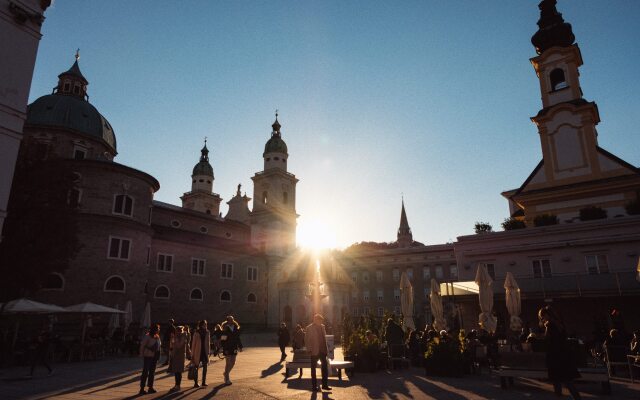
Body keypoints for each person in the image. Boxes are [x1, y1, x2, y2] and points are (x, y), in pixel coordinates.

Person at [538, 306, 582, 400]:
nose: (542, 318)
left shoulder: (550, 325)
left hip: (555, 357)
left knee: (557, 382)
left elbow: (549, 341)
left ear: (546, 315)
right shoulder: (559, 324)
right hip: (564, 355)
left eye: (542, 316)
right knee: (568, 381)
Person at [305, 314, 330, 392]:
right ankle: (314, 386)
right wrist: (309, 349)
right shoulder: (309, 328)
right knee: (313, 369)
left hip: (323, 351)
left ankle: (325, 385)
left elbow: (325, 338)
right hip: (314, 351)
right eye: (319, 320)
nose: (320, 321)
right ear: (315, 320)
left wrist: (328, 348)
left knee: (325, 368)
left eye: (321, 320)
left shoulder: (323, 327)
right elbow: (306, 340)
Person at [139, 324, 161, 395]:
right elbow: (142, 345)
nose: (159, 330)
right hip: (148, 356)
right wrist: (141, 354)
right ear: (154, 329)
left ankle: (150, 387)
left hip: (154, 356)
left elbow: (159, 345)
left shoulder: (157, 337)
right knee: (145, 372)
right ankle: (142, 388)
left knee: (152, 373)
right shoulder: (147, 336)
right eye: (158, 329)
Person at [220, 315, 243, 385]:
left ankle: (225, 373)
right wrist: (225, 349)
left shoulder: (236, 328)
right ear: (227, 321)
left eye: (232, 319)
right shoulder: (225, 329)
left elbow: (238, 338)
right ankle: (227, 378)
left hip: (234, 348)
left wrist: (240, 346)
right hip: (227, 348)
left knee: (233, 363)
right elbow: (223, 340)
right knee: (228, 363)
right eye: (230, 319)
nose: (231, 321)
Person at [168, 326, 191, 392]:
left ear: (179, 331)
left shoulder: (183, 337)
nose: (176, 332)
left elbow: (179, 345)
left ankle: (178, 385)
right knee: (176, 371)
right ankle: (176, 385)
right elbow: (172, 345)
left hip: (180, 356)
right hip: (175, 355)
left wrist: (175, 338)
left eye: (177, 331)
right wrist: (172, 339)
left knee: (178, 371)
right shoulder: (176, 336)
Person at [190, 320, 210, 387]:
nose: (205, 325)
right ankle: (196, 383)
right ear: (201, 325)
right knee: (196, 367)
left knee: (205, 367)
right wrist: (192, 354)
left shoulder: (207, 332)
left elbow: (208, 343)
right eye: (204, 324)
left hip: (204, 352)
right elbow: (193, 344)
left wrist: (208, 352)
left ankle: (203, 382)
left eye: (206, 324)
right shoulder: (196, 333)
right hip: (197, 352)